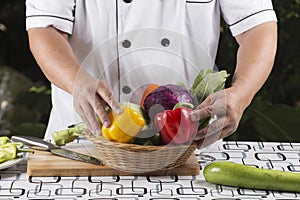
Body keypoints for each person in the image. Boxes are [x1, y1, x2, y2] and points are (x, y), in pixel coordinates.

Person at [25, 0, 277, 148]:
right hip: (85, 145)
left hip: (187, 146)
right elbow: (44, 28)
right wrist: (76, 82)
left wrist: (241, 93)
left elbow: (257, 25)